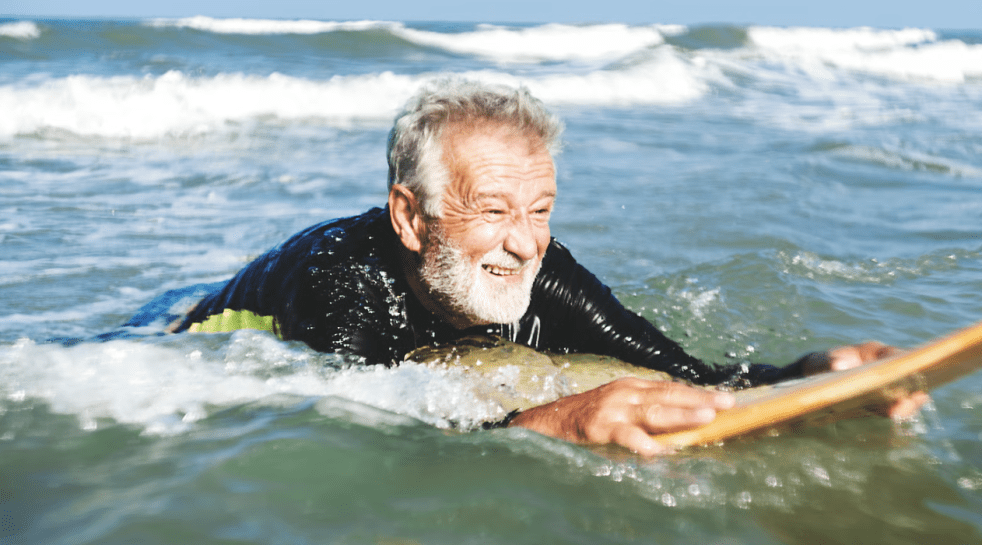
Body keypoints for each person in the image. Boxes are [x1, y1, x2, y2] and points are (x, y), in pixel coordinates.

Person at [164, 78, 925, 455]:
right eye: (494, 210)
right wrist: (552, 420)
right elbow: (367, 433)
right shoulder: (341, 281)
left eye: (540, 210)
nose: (526, 243)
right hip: (184, 332)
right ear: (410, 217)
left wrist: (807, 376)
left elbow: (686, 372)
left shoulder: (539, 268)